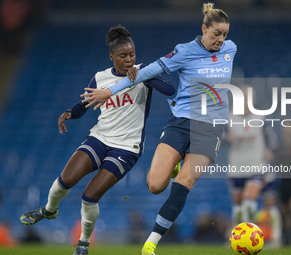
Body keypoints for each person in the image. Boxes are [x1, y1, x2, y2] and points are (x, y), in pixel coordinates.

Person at [81, 3, 236, 254]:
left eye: (225, 34)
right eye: (216, 33)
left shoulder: (231, 49)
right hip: (181, 123)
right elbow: (149, 71)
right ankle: (175, 162)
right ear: (204, 28)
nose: (221, 39)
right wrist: (108, 91)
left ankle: (151, 242)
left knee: (184, 182)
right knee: (155, 185)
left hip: (211, 127)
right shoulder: (184, 51)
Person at [19, 25, 175, 255]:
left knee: (89, 197)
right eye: (123, 56)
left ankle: (82, 243)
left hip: (126, 148)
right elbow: (85, 104)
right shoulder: (100, 77)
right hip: (99, 138)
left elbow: (170, 89)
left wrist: (141, 76)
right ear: (111, 56)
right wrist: (69, 113)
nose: (129, 60)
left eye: (132, 54)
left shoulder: (144, 73)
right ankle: (49, 210)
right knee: (66, 179)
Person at [223, 86, 278, 225]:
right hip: (236, 167)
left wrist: (270, 149)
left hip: (256, 165)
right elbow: (218, 137)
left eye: (249, 97)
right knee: (238, 205)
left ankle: (249, 233)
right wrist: (227, 137)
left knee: (249, 200)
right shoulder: (229, 117)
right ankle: (237, 234)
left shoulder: (261, 116)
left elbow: (272, 137)